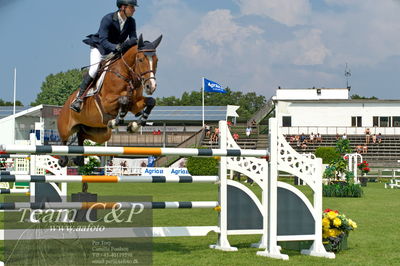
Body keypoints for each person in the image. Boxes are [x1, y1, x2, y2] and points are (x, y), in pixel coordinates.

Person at [70, 0, 139, 112]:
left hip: (115, 50)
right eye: (132, 7)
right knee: (94, 70)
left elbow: (133, 38)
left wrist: (132, 44)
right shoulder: (108, 19)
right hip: (100, 48)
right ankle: (79, 99)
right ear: (122, 7)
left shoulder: (131, 21)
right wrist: (116, 47)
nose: (134, 10)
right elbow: (103, 40)